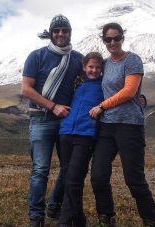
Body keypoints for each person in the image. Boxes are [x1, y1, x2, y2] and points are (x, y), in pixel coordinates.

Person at [89, 23, 155, 227]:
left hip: (129, 126)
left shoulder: (132, 60)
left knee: (134, 179)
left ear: (122, 37)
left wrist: (102, 106)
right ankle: (106, 216)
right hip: (106, 127)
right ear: (103, 40)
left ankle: (151, 221)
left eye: (116, 38)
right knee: (98, 175)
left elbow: (130, 91)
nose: (112, 42)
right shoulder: (104, 63)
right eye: (108, 39)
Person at [22, 14, 83, 227]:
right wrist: (52, 106)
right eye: (56, 30)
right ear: (51, 33)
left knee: (68, 168)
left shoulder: (77, 59)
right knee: (40, 169)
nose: (60, 34)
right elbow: (26, 89)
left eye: (64, 30)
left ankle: (55, 206)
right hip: (41, 119)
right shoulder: (36, 56)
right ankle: (36, 216)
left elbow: (91, 82)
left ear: (69, 33)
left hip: (66, 121)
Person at [58, 52, 104, 227]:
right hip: (66, 133)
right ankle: (78, 220)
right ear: (84, 67)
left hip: (85, 136)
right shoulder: (77, 84)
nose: (93, 70)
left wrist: (141, 99)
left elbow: (119, 96)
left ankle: (64, 221)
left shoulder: (104, 86)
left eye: (97, 67)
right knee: (68, 176)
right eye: (90, 67)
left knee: (74, 178)